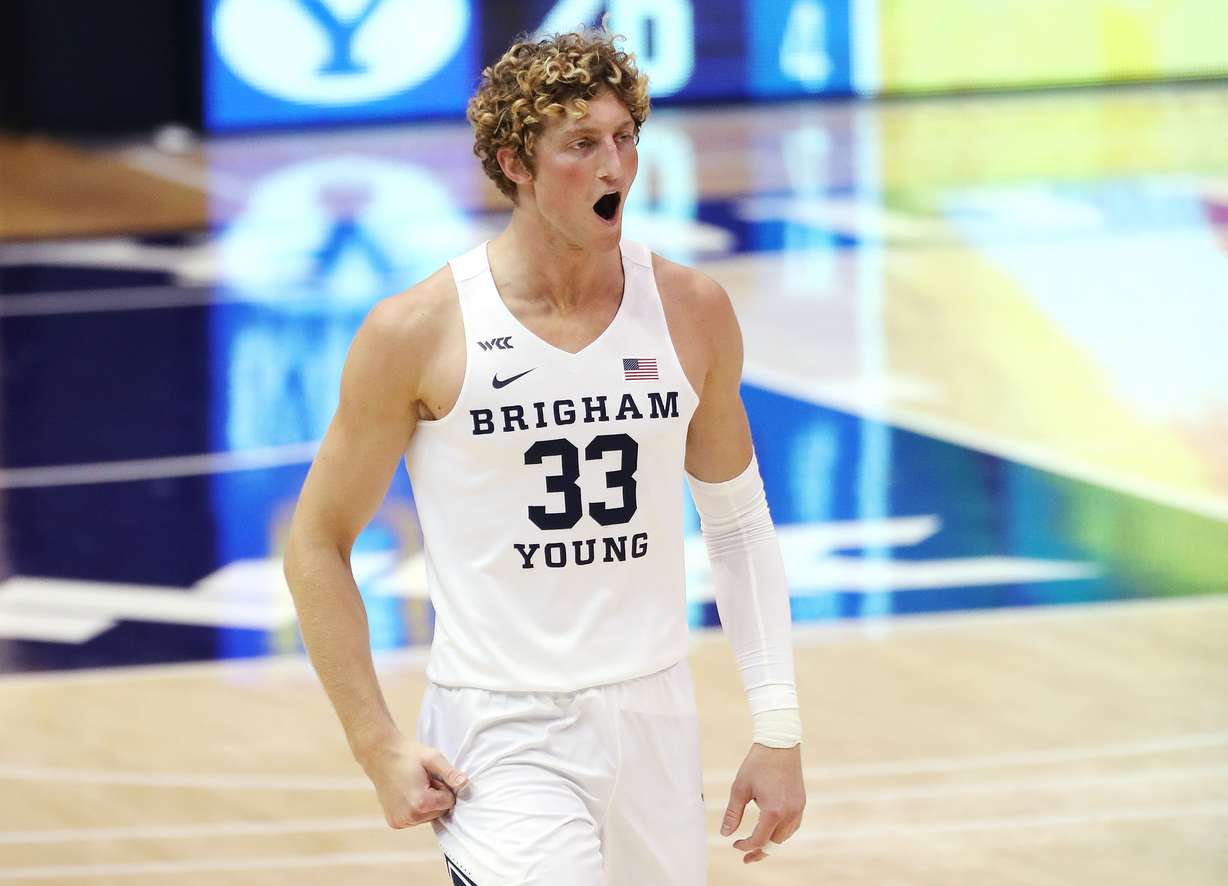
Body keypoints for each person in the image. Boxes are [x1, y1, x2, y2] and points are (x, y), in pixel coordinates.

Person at [283, 28, 805, 885]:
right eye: (583, 145)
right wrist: (376, 744)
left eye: (626, 138)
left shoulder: (691, 309)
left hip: (654, 717)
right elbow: (317, 543)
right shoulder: (417, 331)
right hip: (500, 730)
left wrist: (778, 727)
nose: (616, 168)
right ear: (514, 163)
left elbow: (740, 526)